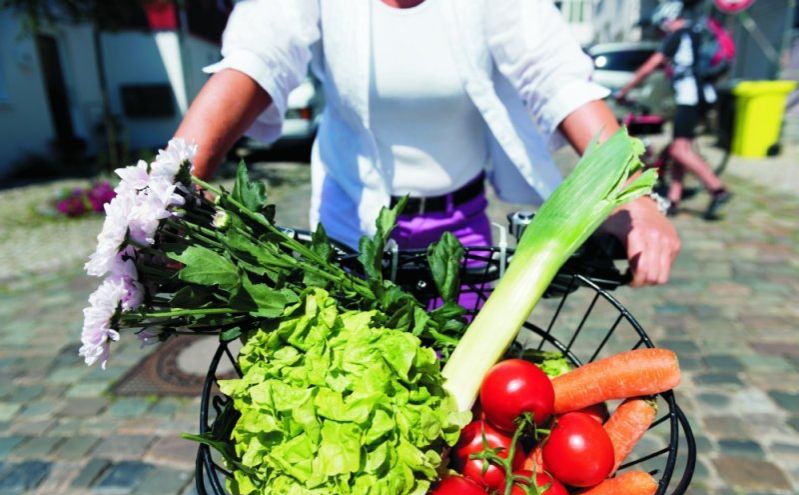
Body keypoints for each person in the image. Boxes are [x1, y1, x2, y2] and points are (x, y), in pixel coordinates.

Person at [175, 0, 680, 286]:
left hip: (461, 225)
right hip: (353, 224)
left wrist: (632, 195)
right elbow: (258, 57)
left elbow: (556, 78)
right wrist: (170, 186)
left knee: (466, 401)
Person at [615, 0, 732, 219]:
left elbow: (649, 67)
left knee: (679, 150)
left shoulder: (678, 36)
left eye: (661, 26)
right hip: (697, 98)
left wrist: (624, 90)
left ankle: (717, 189)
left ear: (668, 20)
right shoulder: (693, 33)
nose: (660, 31)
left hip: (689, 99)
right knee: (679, 149)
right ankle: (674, 199)